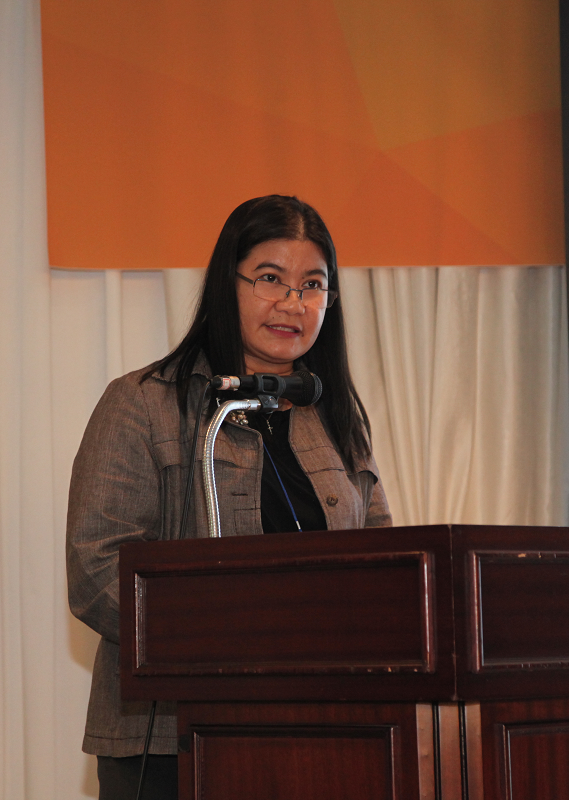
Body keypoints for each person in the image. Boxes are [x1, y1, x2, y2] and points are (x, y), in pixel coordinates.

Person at [65, 195, 393, 800]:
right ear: (227, 283)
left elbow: (383, 565)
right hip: (172, 740)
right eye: (270, 278)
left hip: (324, 732)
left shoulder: (337, 417)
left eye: (312, 285)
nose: (292, 302)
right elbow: (96, 568)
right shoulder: (143, 402)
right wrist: (232, 644)